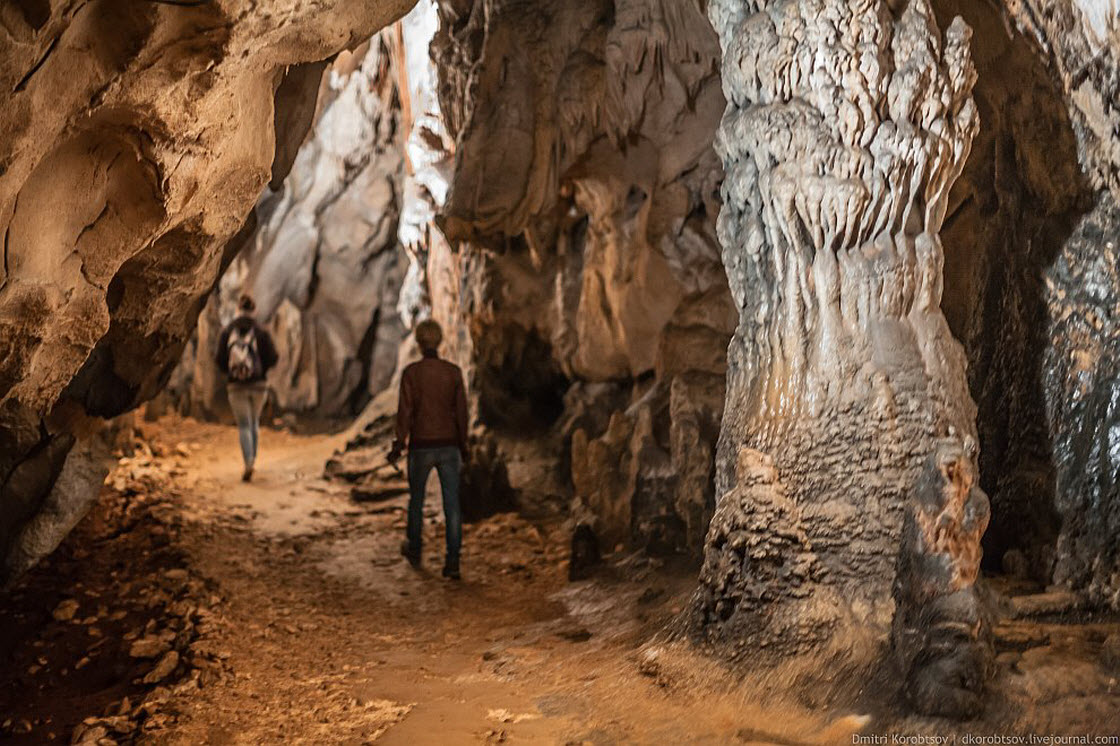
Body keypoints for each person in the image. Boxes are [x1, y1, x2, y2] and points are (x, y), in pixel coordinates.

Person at [388, 319, 469, 580]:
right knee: (452, 504)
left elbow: (405, 413)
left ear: (419, 343)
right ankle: (453, 561)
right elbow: (461, 414)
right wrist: (464, 444)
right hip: (449, 444)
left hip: (421, 445)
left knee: (417, 500)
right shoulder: (453, 373)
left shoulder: (411, 374)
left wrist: (399, 444)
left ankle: (414, 549)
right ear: (440, 341)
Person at [216, 294, 278, 483]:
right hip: (259, 385)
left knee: (243, 425)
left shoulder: (228, 331)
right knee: (254, 423)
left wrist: (232, 373)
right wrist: (262, 370)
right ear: (254, 311)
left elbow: (219, 360)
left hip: (236, 387)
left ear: (237, 309)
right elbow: (273, 357)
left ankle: (248, 462)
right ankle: (253, 460)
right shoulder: (261, 332)